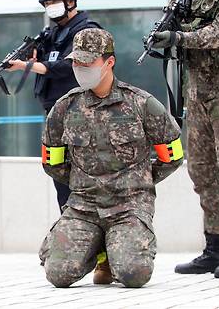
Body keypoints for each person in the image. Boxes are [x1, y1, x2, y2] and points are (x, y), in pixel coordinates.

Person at [39, 29, 183, 288]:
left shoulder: (142, 104)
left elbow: (173, 156)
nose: (80, 68)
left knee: (133, 274)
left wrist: (139, 181)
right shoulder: (64, 108)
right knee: (58, 274)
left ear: (109, 62)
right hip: (84, 206)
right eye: (76, 62)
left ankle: (119, 248)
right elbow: (52, 162)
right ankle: (98, 248)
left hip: (129, 205)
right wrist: (83, 182)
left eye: (88, 62)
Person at [5, 0, 110, 283]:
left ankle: (106, 258)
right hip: (55, 117)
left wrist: (28, 67)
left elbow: (72, 67)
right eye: (47, 4)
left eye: (54, 2)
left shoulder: (88, 31)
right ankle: (75, 248)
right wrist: (28, 56)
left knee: (90, 186)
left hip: (83, 117)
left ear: (72, 1)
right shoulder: (51, 33)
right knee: (60, 180)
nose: (50, 7)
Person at [152, 0, 219, 279]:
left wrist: (180, 38)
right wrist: (163, 32)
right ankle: (214, 248)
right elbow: (169, 20)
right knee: (201, 172)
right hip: (197, 92)